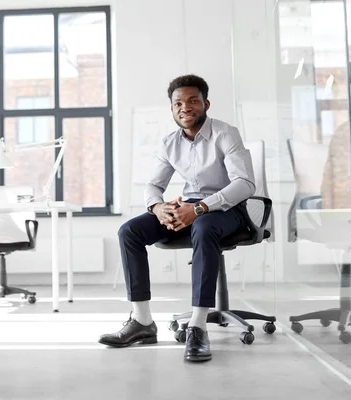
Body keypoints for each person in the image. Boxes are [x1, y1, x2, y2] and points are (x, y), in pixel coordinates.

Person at [98, 74, 256, 362]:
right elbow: (153, 186)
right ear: (172, 109)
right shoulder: (170, 142)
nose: (185, 108)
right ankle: (142, 321)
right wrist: (158, 207)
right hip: (190, 209)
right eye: (178, 104)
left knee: (205, 226)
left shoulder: (225, 134)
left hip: (228, 210)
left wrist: (198, 209)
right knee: (129, 231)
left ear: (206, 104)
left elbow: (245, 184)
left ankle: (197, 327)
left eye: (193, 101)